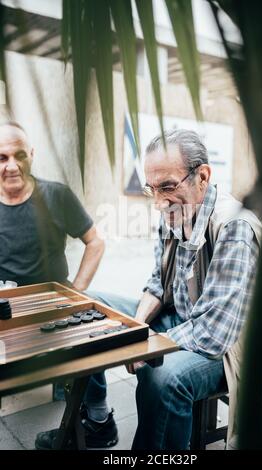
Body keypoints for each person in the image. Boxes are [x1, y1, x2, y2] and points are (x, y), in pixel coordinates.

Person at [36, 128, 262, 450]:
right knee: (89, 305)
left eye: (168, 186)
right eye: (151, 189)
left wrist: (144, 345)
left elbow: (214, 334)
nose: (158, 202)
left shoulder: (233, 226)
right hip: (181, 319)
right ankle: (98, 420)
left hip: (230, 346)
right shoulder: (171, 212)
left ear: (203, 176)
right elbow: (158, 282)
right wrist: (137, 327)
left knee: (163, 378)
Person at [0, 121, 118, 448]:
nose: (11, 165)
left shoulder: (56, 195)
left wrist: (77, 292)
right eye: (1, 157)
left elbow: (95, 243)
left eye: (19, 155)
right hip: (6, 308)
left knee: (91, 334)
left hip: (54, 303)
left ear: (31, 155)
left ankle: (99, 420)